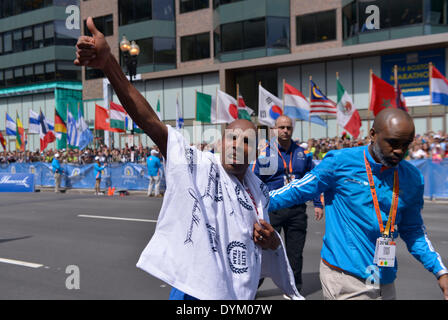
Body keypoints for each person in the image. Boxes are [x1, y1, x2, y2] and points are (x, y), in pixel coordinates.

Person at [74, 17, 303, 300]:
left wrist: (271, 241)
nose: (236, 145)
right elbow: (149, 122)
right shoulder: (199, 166)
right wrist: (109, 65)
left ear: (255, 152)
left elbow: (266, 231)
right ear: (220, 142)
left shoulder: (258, 192)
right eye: (231, 138)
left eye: (246, 142)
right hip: (193, 295)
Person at [268, 108, 448, 300]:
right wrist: (254, 202)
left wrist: (440, 271)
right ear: (372, 134)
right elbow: (297, 190)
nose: (399, 151)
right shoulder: (340, 162)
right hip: (345, 277)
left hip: (384, 278)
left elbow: (414, 231)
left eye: (406, 145)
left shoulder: (412, 178)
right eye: (393, 143)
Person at [253, 115, 323, 296]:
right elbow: (254, 182)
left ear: (292, 129)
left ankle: (294, 289)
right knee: (263, 251)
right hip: (272, 210)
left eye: (288, 127)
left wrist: (317, 203)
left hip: (297, 211)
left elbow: (313, 180)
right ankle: (251, 287)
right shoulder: (265, 154)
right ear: (275, 129)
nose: (285, 130)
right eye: (281, 127)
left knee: (295, 253)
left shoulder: (302, 153)